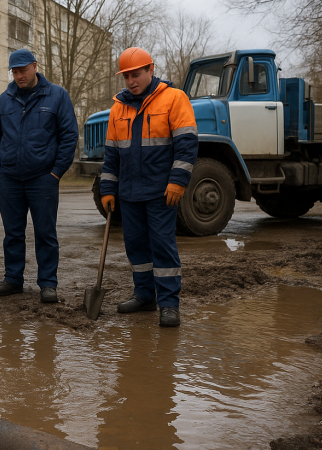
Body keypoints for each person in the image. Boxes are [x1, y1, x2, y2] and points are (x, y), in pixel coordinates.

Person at [99, 47, 198, 327]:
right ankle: (144, 295)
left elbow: (187, 145)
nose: (131, 81)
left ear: (150, 70)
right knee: (136, 246)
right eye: (126, 76)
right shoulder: (118, 108)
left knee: (162, 246)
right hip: (129, 193)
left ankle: (169, 304)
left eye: (136, 74)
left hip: (161, 192)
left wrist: (178, 182)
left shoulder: (174, 99)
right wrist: (107, 189)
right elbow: (111, 155)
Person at [0, 49, 79, 303]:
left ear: (35, 66)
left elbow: (69, 136)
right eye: (14, 72)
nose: (19, 76)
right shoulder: (4, 101)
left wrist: (56, 172)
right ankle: (13, 279)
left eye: (23, 70)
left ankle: (48, 284)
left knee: (45, 233)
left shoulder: (57, 96)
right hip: (9, 179)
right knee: (12, 233)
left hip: (43, 178)